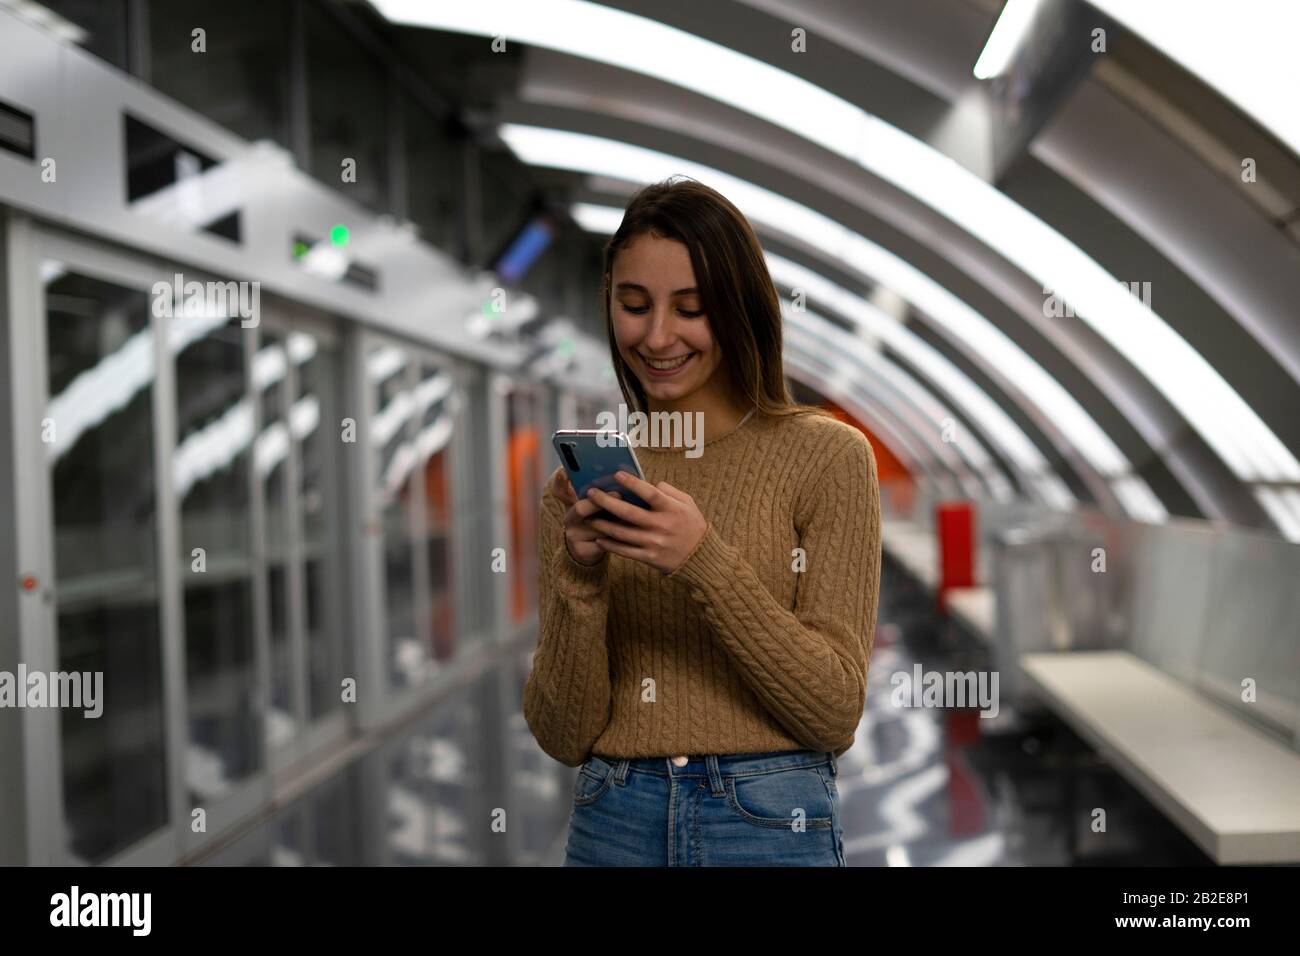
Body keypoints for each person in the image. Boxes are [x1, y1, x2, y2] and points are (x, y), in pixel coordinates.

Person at [523, 176, 882, 866]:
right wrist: (581, 574)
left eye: (690, 308)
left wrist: (703, 560)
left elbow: (833, 711)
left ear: (739, 309)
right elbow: (565, 734)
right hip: (614, 816)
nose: (657, 336)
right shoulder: (578, 488)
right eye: (633, 305)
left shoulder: (828, 457)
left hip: (769, 817)